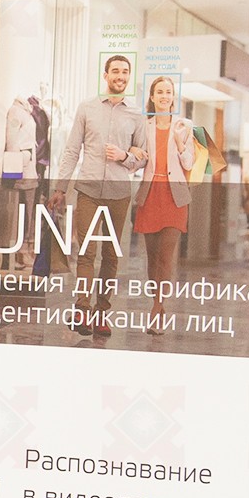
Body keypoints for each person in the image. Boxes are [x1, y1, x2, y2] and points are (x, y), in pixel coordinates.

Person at [50, 55, 147, 327]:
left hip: (120, 193)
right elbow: (72, 150)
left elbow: (143, 158)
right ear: (105, 75)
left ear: (128, 77)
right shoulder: (87, 108)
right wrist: (61, 187)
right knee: (86, 252)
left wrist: (124, 156)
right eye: (115, 71)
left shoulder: (136, 114)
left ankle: (102, 313)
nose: (120, 76)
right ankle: (82, 309)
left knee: (111, 256)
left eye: (125, 72)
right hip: (89, 190)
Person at [133, 75, 197, 322]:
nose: (164, 96)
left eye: (168, 92)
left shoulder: (185, 126)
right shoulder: (144, 125)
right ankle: (156, 301)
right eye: (159, 92)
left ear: (173, 97)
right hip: (150, 194)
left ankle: (158, 307)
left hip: (174, 197)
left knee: (165, 254)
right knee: (152, 256)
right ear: (152, 96)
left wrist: (180, 143)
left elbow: (189, 163)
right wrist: (133, 153)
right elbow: (138, 162)